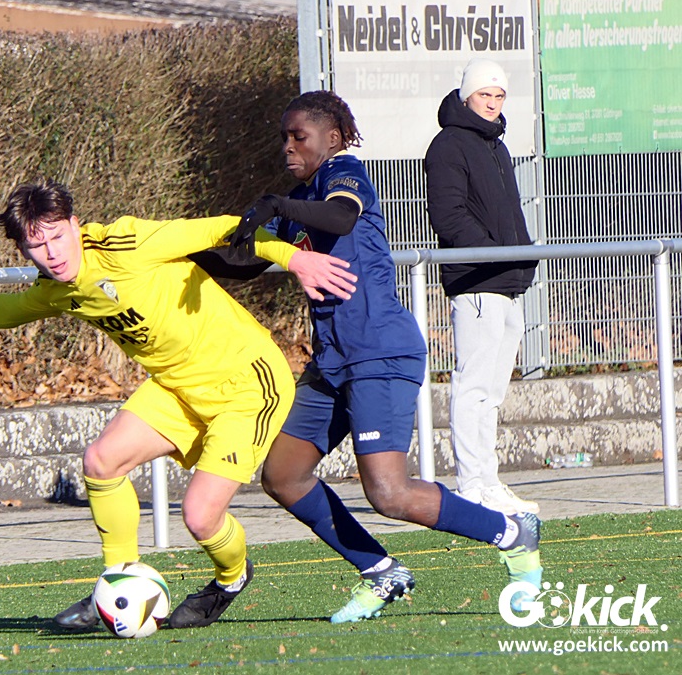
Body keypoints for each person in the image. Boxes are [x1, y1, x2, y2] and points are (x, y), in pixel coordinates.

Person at [0, 179, 357, 629]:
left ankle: (231, 577)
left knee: (200, 517)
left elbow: (224, 228)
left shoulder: (125, 243)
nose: (52, 253)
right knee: (101, 461)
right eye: (37, 246)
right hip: (177, 387)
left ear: (75, 224)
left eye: (58, 236)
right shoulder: (57, 289)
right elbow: (15, 309)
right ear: (23, 250)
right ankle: (116, 582)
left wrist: (294, 258)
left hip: (246, 381)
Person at [229, 90, 543, 623]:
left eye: (298, 136)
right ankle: (380, 570)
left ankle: (511, 533)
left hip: (380, 353)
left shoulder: (345, 174)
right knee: (283, 476)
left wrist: (278, 205)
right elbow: (241, 263)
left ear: (332, 138)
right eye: (283, 137)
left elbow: (340, 218)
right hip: (332, 362)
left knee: (389, 493)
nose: (287, 146)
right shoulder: (299, 200)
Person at [424, 59, 539, 515]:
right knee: (473, 386)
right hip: (476, 282)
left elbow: (509, 213)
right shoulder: (449, 145)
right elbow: (448, 216)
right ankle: (471, 485)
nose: (492, 103)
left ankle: (487, 481)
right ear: (466, 95)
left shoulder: (498, 146)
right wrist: (495, 253)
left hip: (507, 281)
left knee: (492, 391)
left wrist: (522, 257)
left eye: (499, 95)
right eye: (484, 94)